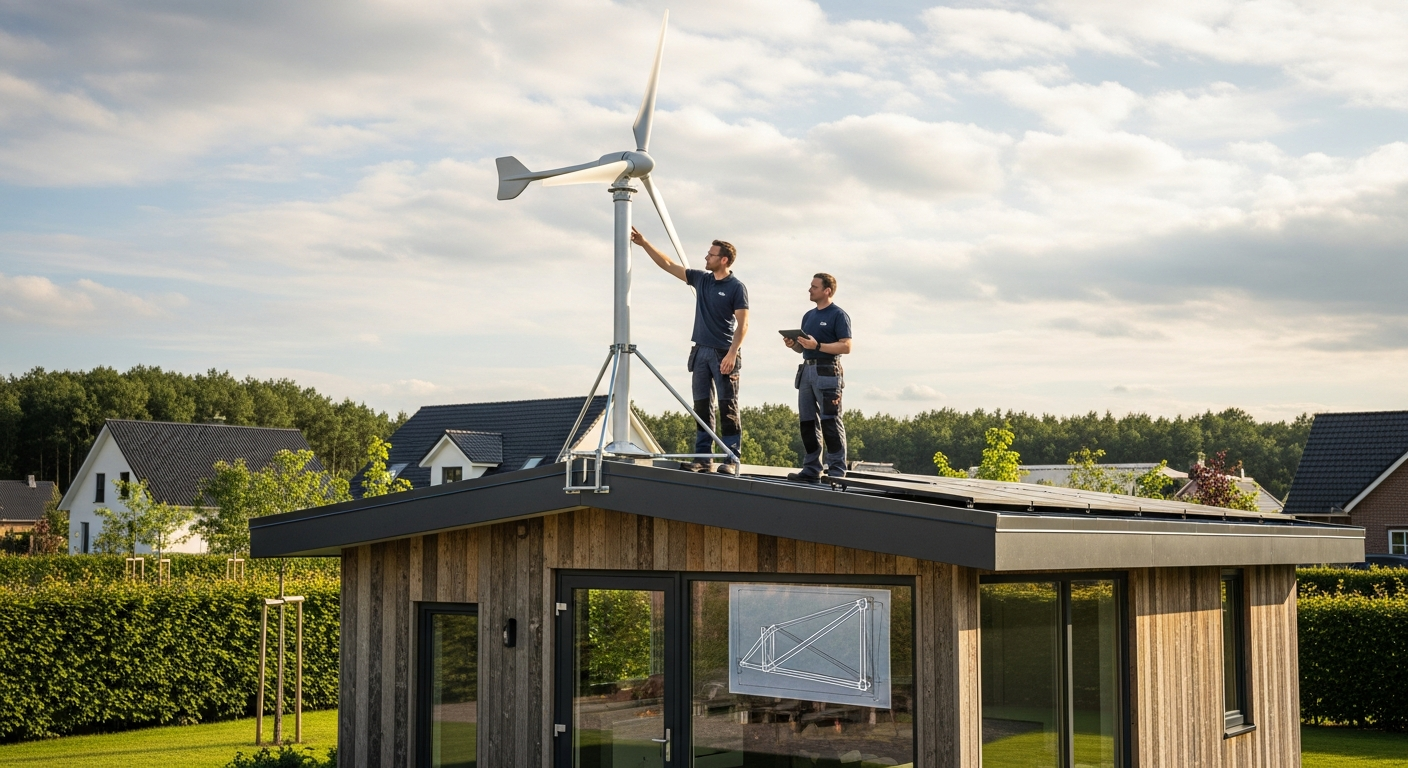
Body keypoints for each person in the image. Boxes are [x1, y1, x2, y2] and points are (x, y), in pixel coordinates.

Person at [630, 226, 750, 474]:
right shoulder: (701, 279)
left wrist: (731, 353)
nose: (706, 257)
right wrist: (644, 243)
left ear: (724, 259)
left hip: (723, 354)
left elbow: (744, 324)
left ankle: (731, 459)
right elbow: (668, 264)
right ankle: (703, 458)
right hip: (700, 353)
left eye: (711, 254)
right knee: (702, 408)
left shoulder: (736, 287)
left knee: (727, 408)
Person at [783, 273, 852, 483]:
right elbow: (804, 348)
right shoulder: (808, 316)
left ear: (827, 290)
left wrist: (818, 346)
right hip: (807, 370)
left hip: (828, 371)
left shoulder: (838, 315)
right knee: (807, 422)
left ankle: (837, 471)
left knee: (830, 421)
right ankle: (812, 469)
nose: (809, 290)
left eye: (814, 287)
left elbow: (847, 346)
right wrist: (793, 344)